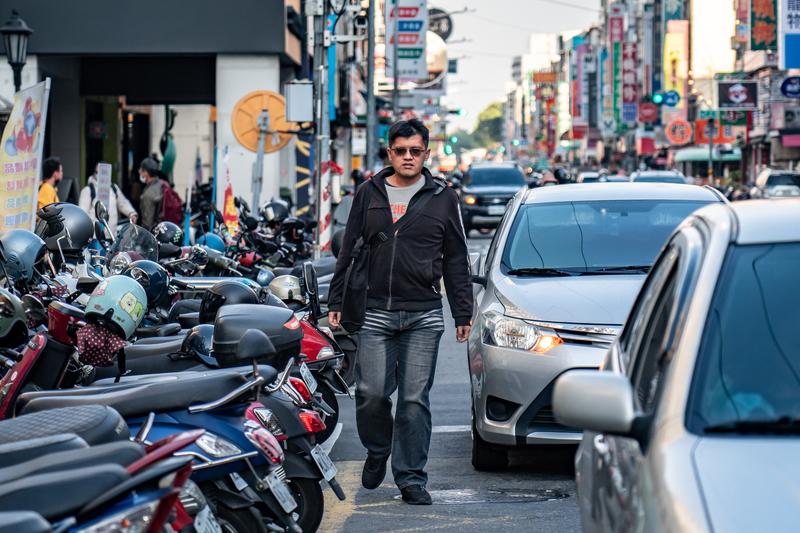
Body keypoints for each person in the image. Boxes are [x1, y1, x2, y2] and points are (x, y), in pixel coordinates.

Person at [327, 119, 473, 506]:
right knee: (372, 394)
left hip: (424, 314)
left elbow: (456, 258)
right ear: (389, 152)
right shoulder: (368, 192)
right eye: (401, 150)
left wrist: (463, 312)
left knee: (413, 400)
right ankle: (378, 450)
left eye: (416, 151)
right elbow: (349, 249)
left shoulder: (444, 197)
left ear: (427, 153)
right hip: (375, 311)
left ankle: (411, 478)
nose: (408, 157)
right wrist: (336, 301)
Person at [79, 162, 138, 234]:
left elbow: (123, 202)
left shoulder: (113, 188)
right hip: (95, 236)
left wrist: (131, 213)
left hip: (111, 234)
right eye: (98, 172)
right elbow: (82, 214)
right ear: (94, 173)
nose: (101, 175)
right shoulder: (88, 190)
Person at [138, 157, 163, 230]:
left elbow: (147, 224)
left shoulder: (148, 194)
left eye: (140, 169)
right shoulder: (164, 184)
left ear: (145, 173)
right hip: (166, 228)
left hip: (156, 233)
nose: (139, 172)